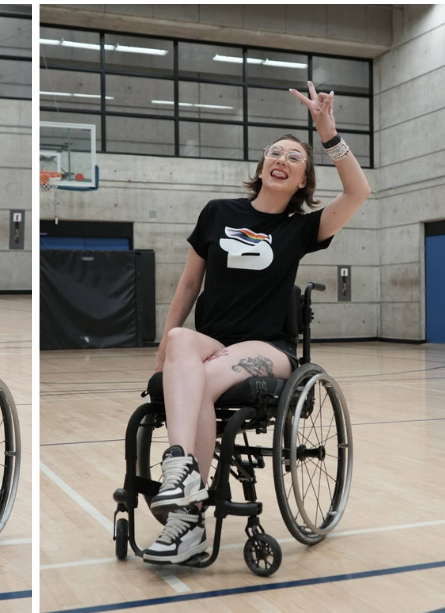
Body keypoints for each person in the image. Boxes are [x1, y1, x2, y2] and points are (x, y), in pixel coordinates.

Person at [143, 82, 371, 564]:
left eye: (295, 156)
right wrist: (166, 343)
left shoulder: (303, 228)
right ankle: (184, 476)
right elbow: (188, 287)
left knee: (196, 380)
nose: (282, 158)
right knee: (184, 341)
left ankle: (185, 515)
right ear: (262, 166)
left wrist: (326, 131)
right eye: (275, 152)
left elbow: (358, 191)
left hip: (268, 347)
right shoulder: (217, 213)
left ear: (303, 178)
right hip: (210, 341)